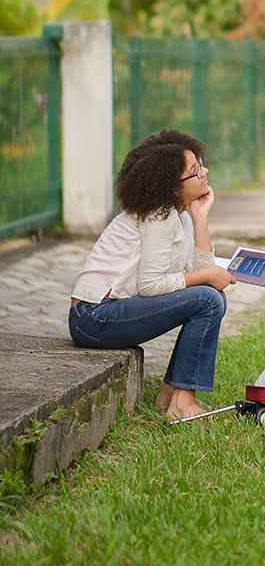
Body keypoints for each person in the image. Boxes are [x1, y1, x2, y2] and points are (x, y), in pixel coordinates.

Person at [68, 128, 236, 421]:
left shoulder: (178, 214)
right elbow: (150, 286)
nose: (204, 171)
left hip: (104, 314)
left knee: (212, 297)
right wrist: (208, 275)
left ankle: (172, 395)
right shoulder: (159, 215)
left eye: (200, 163)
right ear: (173, 186)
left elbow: (196, 273)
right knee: (209, 299)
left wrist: (200, 217)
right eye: (195, 170)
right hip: (93, 317)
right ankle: (181, 403)